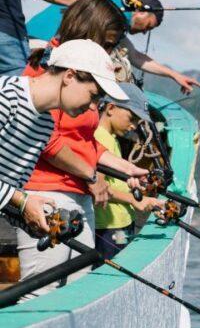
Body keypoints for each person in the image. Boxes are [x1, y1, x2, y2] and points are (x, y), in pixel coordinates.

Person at [16, 0, 147, 295]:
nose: (111, 51)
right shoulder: (47, 71)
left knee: (79, 286)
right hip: (46, 194)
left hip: (77, 196)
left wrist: (128, 169)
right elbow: (47, 141)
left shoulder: (86, 81)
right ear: (91, 32)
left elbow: (84, 142)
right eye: (109, 42)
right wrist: (91, 175)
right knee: (42, 289)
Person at [0, 39, 128, 240]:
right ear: (69, 76)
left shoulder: (44, 126)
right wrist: (23, 201)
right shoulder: (5, 96)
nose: (94, 107)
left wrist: (34, 219)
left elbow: (8, 195)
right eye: (93, 95)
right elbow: (13, 196)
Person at [26, 0, 200, 93]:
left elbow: (135, 56)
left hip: (35, 38)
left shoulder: (114, 13)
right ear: (140, 12)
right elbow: (135, 57)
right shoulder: (114, 14)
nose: (144, 33)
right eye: (148, 27)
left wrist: (174, 75)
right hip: (42, 45)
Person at [94, 82, 164, 260]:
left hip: (121, 225)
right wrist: (135, 200)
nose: (133, 125)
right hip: (109, 228)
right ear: (110, 108)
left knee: (123, 259)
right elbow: (98, 187)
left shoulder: (112, 138)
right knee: (111, 271)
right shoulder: (101, 137)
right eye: (131, 118)